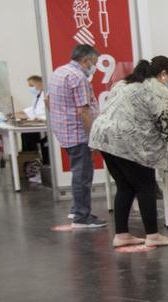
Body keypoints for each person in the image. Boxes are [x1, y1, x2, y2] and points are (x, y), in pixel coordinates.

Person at [90, 56, 168, 248]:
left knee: (125, 187)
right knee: (146, 187)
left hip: (104, 139)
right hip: (130, 143)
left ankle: (122, 234)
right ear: (163, 74)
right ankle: (153, 235)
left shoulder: (124, 83)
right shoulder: (158, 89)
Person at [47, 44, 107, 228]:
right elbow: (83, 112)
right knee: (82, 175)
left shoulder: (59, 72)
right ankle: (82, 217)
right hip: (78, 134)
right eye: (94, 62)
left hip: (64, 132)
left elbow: (47, 100)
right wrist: (93, 138)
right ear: (85, 60)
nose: (95, 67)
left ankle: (76, 209)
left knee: (78, 172)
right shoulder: (79, 77)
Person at [16, 75, 49, 185]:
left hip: (45, 126)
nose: (30, 88)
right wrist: (20, 113)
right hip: (37, 124)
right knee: (25, 136)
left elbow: (42, 113)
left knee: (31, 139)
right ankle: (33, 168)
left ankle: (40, 170)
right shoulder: (38, 95)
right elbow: (33, 109)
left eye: (31, 85)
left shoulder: (47, 94)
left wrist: (33, 117)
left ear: (39, 83)